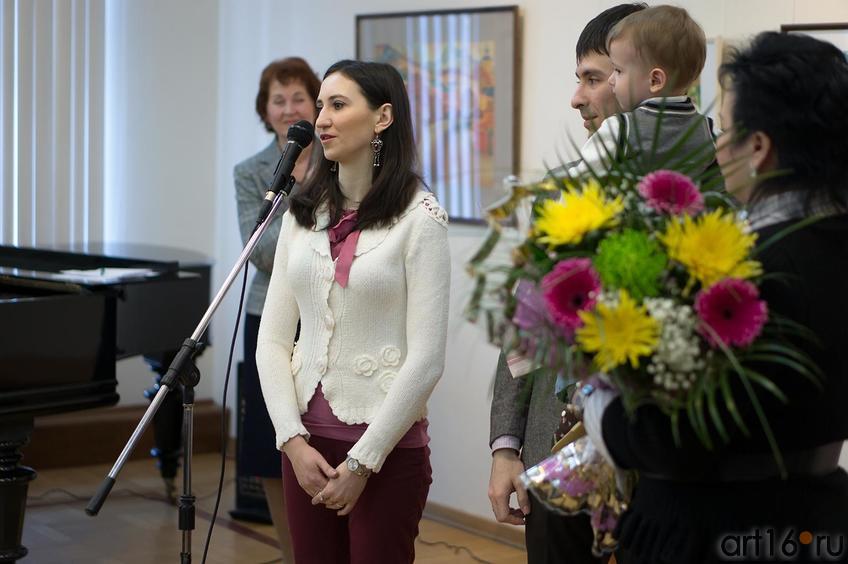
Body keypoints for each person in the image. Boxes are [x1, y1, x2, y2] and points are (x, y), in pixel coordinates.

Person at [581, 31, 848, 563]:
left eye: (725, 129)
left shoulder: (741, 272)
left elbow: (671, 439)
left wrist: (599, 399)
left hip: (711, 526)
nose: (718, 145)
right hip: (822, 510)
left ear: (759, 148)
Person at [256, 59, 450, 564]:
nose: (321, 119)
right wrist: (292, 442)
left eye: (338, 106)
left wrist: (363, 463)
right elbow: (273, 341)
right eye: (321, 105)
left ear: (382, 117)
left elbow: (427, 358)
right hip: (306, 448)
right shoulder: (302, 213)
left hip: (385, 452)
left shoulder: (420, 218)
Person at [487, 5, 646, 564]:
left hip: (648, 472)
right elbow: (522, 326)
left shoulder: (701, 186)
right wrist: (505, 446)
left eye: (593, 79)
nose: (577, 98)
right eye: (577, 80)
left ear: (649, 78)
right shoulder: (559, 193)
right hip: (548, 454)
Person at [233, 56, 321, 562]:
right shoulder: (252, 173)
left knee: (327, 434)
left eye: (298, 98)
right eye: (278, 99)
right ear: (265, 111)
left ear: (314, 105)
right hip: (271, 318)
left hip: (333, 318)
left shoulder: (340, 162)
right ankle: (293, 554)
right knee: (271, 442)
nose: (289, 108)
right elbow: (260, 252)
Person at [569, 5, 715, 178]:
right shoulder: (711, 132)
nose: (575, 100)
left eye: (618, 71)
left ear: (655, 80)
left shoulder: (619, 128)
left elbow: (575, 185)